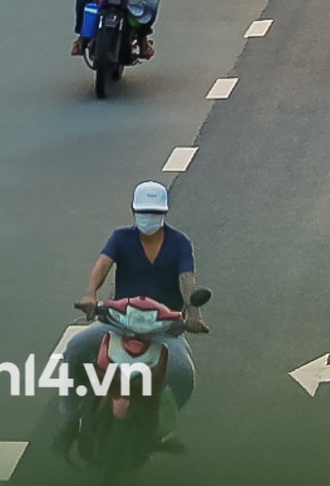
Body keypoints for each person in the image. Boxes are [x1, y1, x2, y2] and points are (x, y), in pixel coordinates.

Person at [53, 180, 205, 456]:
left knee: (184, 375)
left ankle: (159, 430)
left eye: (155, 212)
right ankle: (68, 422)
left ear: (165, 213)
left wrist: (193, 314)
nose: (149, 217)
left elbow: (187, 281)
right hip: (119, 323)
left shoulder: (180, 243)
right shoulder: (121, 238)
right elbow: (103, 264)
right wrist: (90, 295)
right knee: (74, 351)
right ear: (134, 211)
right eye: (144, 212)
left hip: (165, 329)